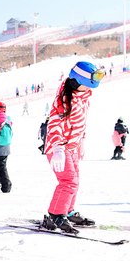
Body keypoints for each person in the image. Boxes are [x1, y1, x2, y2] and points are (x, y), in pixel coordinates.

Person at [41, 62, 104, 232]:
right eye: (87, 84)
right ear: (76, 82)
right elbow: (54, 125)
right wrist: (57, 149)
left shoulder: (83, 98)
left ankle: (67, 211)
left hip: (72, 147)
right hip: (59, 148)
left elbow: (80, 123)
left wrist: (81, 140)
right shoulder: (64, 100)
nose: (89, 88)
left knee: (75, 181)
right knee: (68, 181)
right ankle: (56, 215)